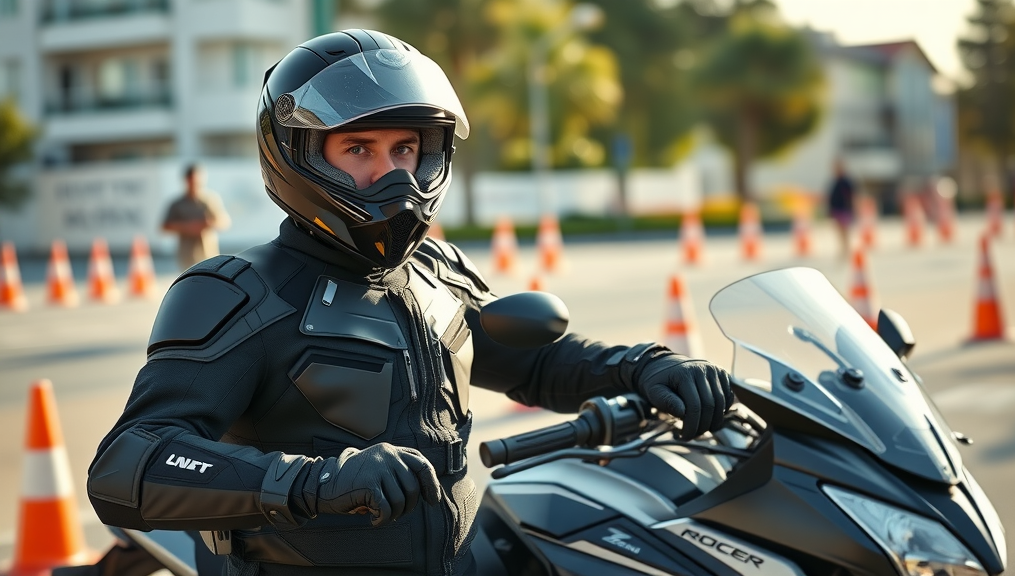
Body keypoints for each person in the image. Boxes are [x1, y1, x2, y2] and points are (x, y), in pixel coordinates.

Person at [86, 29, 733, 576]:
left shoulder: (437, 273)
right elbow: (128, 463)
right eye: (360, 150)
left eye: (406, 149)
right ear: (299, 153)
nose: (392, 177)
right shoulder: (239, 292)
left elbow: (537, 364)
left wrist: (647, 368)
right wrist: (313, 484)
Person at [161, 163, 232, 270]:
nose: (195, 184)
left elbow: (225, 222)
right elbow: (165, 226)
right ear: (186, 180)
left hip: (208, 253)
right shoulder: (177, 203)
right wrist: (188, 227)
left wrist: (210, 223)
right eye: (192, 181)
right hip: (187, 255)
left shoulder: (210, 200)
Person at [827, 159, 855, 256]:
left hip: (844, 210)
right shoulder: (836, 181)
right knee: (840, 232)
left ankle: (846, 250)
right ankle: (843, 250)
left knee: (845, 232)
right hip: (837, 210)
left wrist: (851, 209)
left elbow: (851, 197)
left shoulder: (845, 181)